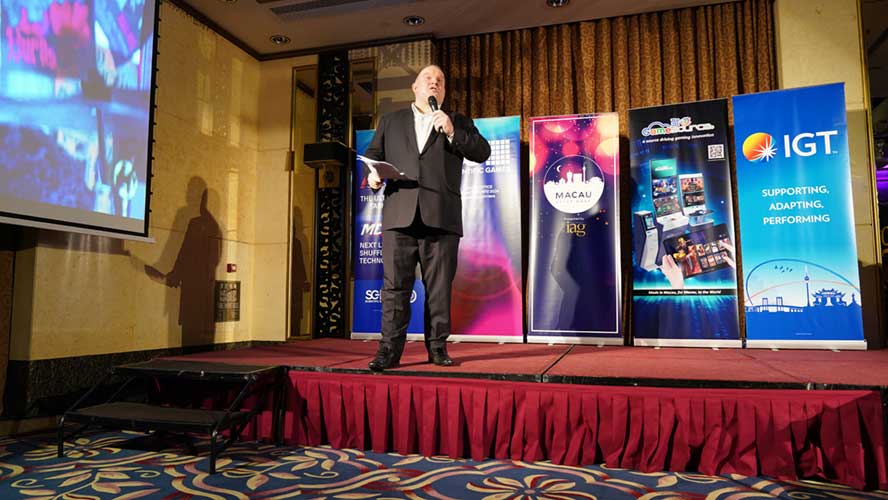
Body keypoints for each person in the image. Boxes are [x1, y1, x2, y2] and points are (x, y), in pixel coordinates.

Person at [362, 64, 490, 371]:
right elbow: (373, 157)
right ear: (415, 87)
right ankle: (389, 351)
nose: (434, 83)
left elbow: (481, 152)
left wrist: (452, 130)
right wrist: (373, 177)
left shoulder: (457, 120)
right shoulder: (391, 121)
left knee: (439, 288)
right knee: (395, 288)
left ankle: (437, 348)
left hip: (441, 216)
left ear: (443, 91)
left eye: (440, 81)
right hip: (399, 215)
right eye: (428, 79)